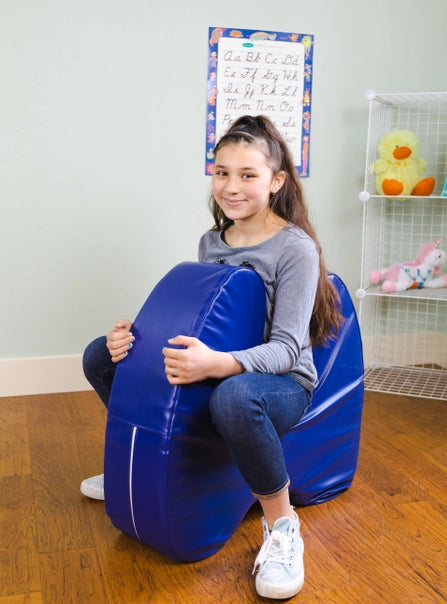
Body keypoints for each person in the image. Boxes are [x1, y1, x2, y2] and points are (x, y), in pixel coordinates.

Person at [81, 115, 343, 600]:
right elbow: (203, 320)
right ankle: (137, 464)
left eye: (248, 175)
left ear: (276, 181)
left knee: (236, 397)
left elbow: (287, 350)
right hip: (221, 367)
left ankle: (283, 527)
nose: (231, 186)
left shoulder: (295, 248)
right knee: (100, 356)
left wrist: (218, 364)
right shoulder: (211, 241)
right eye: (221, 172)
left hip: (281, 384)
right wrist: (132, 340)